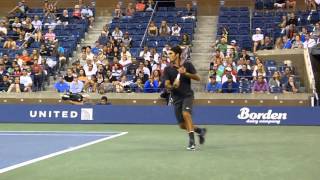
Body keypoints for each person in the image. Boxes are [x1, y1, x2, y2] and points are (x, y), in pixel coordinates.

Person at [163, 46, 206, 150]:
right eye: (168, 54)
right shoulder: (167, 69)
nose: (169, 56)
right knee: (182, 125)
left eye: (171, 53)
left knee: (186, 114)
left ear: (177, 54)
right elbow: (166, 84)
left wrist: (185, 73)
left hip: (187, 95)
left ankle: (192, 142)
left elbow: (198, 78)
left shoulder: (187, 65)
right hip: (176, 98)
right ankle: (200, 131)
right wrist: (173, 86)